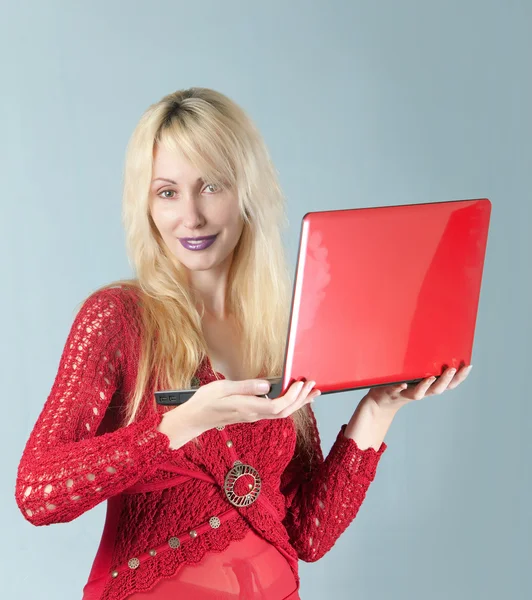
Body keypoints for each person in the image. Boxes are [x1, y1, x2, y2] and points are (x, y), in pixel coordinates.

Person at [14, 87, 472, 600]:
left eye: (211, 187)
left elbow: (306, 533)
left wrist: (381, 406)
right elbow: (38, 494)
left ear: (246, 191)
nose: (191, 216)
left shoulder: (277, 335)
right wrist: (183, 422)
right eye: (167, 192)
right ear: (145, 204)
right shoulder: (118, 319)